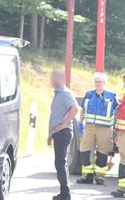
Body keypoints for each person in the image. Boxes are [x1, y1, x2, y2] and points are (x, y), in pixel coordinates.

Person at [76, 72, 119, 185]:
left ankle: (100, 177)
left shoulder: (111, 96)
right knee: (85, 151)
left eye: (100, 82)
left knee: (102, 153)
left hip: (105, 129)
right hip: (89, 128)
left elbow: (117, 112)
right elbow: (83, 109)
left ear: (104, 83)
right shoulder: (89, 94)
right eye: (96, 82)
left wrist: (116, 128)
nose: (98, 84)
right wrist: (80, 123)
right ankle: (87, 177)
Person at [48, 70, 79, 200]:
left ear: (60, 79)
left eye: (53, 77)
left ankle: (65, 194)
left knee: (60, 163)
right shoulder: (58, 94)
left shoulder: (65, 93)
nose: (51, 80)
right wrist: (50, 134)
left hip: (63, 132)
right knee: (60, 163)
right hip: (58, 133)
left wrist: (64, 124)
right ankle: (64, 193)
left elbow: (75, 108)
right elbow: (55, 116)